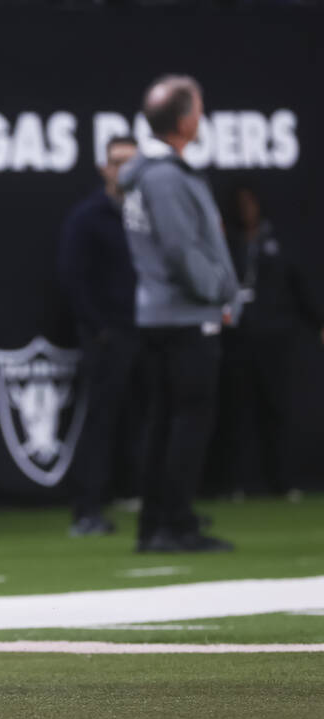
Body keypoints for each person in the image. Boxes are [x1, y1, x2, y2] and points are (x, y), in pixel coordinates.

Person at [119, 74, 239, 554]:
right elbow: (180, 249)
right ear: (185, 119)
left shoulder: (154, 172)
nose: (203, 116)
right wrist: (218, 293)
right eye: (200, 108)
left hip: (163, 315)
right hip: (184, 316)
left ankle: (158, 523)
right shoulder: (165, 176)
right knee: (185, 423)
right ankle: (173, 524)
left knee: (168, 422)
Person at [212, 183, 324, 499]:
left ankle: (283, 481)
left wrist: (318, 322)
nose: (246, 209)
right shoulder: (227, 244)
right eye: (240, 203)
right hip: (237, 339)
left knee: (276, 410)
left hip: (274, 338)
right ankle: (234, 483)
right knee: (235, 413)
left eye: (250, 202)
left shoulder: (278, 241)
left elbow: (300, 286)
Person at [57, 135, 142, 537]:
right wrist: (101, 329)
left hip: (151, 333)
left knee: (152, 420)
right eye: (117, 161)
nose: (123, 169)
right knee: (101, 422)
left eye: (131, 161)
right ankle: (87, 508)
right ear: (104, 168)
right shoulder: (88, 216)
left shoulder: (149, 214)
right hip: (109, 336)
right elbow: (73, 279)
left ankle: (158, 505)